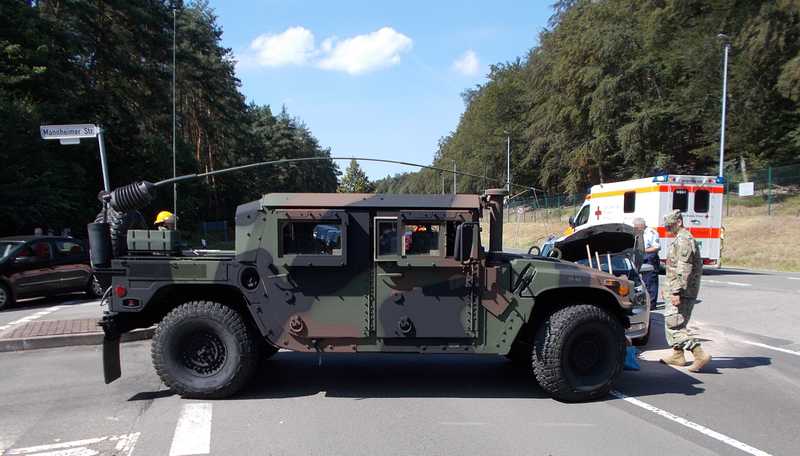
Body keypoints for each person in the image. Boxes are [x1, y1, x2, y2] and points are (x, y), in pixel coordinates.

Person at [660, 209, 710, 372]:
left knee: (674, 325)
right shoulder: (680, 239)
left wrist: (676, 291)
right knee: (675, 321)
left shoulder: (684, 240)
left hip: (682, 291)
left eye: (670, 226)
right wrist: (667, 288)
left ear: (679, 222)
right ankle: (677, 355)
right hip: (676, 288)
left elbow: (683, 269)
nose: (668, 230)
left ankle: (699, 354)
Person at [633, 217, 660, 310]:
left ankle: (652, 304)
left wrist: (643, 251)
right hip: (640, 257)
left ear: (642, 225)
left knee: (651, 281)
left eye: (637, 227)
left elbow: (656, 247)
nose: (636, 228)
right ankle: (644, 301)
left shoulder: (652, 232)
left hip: (650, 257)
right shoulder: (637, 233)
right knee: (643, 281)